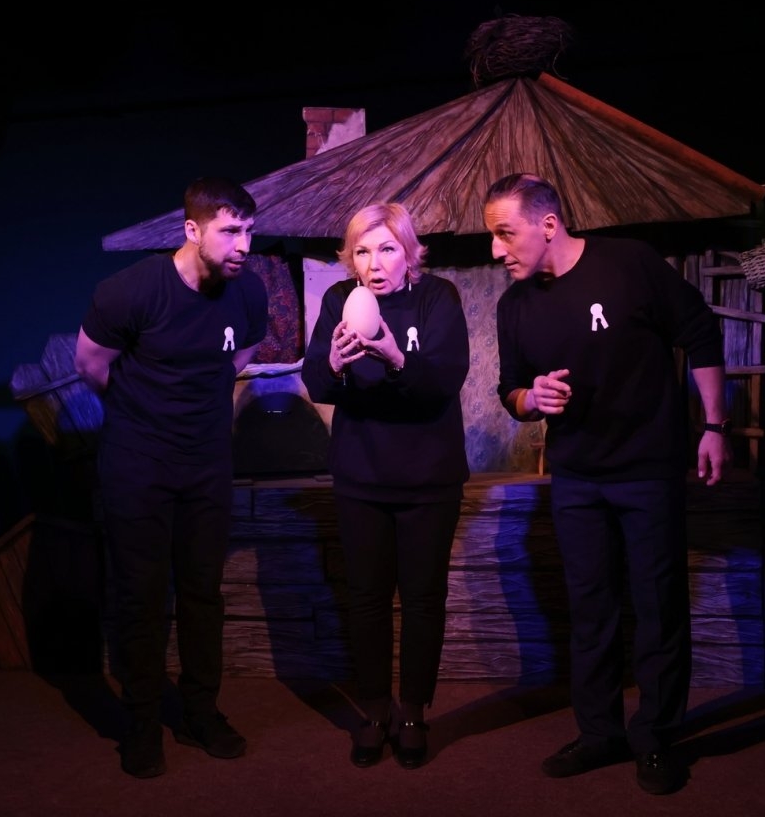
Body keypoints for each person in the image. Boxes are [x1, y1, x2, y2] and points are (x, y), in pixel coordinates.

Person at [483, 173, 731, 795]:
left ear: (548, 224)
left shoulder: (629, 263)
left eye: (504, 233)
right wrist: (532, 397)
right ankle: (599, 733)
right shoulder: (514, 306)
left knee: (658, 605)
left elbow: (700, 331)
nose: (495, 249)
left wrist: (714, 426)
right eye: (492, 236)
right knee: (590, 609)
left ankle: (656, 738)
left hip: (648, 470)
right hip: (576, 478)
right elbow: (510, 390)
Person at [74, 176, 268, 779]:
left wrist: (196, 411)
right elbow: (90, 364)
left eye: (249, 231)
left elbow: (239, 356)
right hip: (138, 463)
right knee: (141, 595)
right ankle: (140, 722)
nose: (243, 245)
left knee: (204, 593)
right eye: (230, 231)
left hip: (206, 463)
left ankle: (199, 713)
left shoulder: (248, 290)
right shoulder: (131, 290)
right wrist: (146, 412)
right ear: (191, 230)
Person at [302, 203, 470, 770]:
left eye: (387, 249)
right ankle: (375, 710)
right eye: (362, 251)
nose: (374, 263)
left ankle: (414, 712)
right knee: (367, 597)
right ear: (351, 258)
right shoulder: (338, 301)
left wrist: (397, 358)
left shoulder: (438, 297)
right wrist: (332, 362)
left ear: (409, 252)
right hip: (362, 476)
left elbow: (444, 381)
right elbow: (318, 384)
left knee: (423, 598)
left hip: (429, 478)